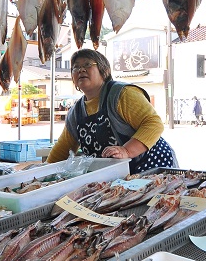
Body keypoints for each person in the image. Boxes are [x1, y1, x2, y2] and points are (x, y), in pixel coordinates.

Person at [47, 49, 177, 173]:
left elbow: (153, 124)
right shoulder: (75, 113)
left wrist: (126, 151)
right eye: (75, 67)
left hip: (152, 165)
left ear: (104, 71)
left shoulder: (122, 94)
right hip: (119, 176)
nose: (81, 69)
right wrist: (42, 173)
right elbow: (62, 151)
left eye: (87, 64)